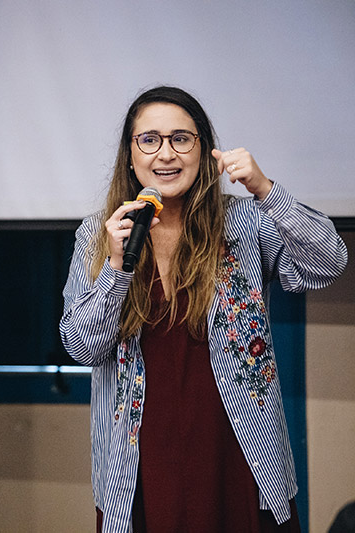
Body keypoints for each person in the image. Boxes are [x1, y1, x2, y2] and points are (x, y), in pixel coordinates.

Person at [59, 86, 348, 532]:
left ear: (204, 149)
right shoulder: (101, 234)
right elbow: (82, 347)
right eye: (149, 140)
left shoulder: (244, 222)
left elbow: (327, 262)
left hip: (238, 453)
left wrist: (265, 189)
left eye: (181, 138)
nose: (166, 154)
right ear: (130, 155)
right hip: (140, 464)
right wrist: (116, 267)